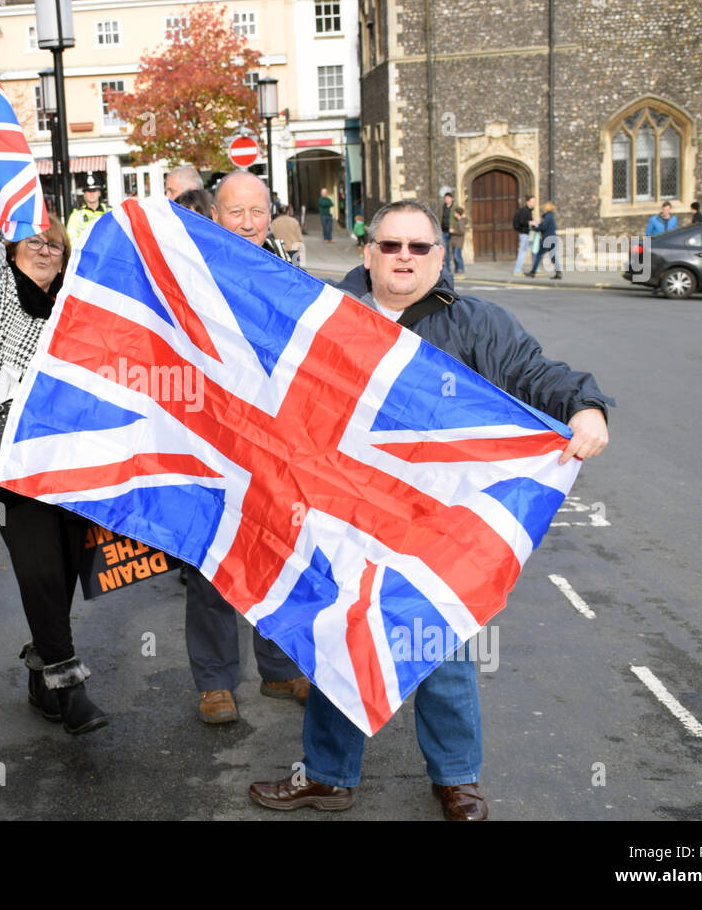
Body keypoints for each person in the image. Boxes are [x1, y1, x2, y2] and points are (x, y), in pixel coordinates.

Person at [248, 199, 612, 819]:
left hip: (436, 524)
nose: (404, 259)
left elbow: (536, 372)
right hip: (345, 516)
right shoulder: (324, 317)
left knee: (441, 648)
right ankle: (329, 776)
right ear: (368, 253)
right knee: (340, 640)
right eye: (391, 246)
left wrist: (586, 405)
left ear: (439, 257)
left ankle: (456, 781)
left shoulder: (476, 323)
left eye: (419, 248)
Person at [0, 108, 108, 735]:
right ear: (13, 251)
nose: (46, 246)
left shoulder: (78, 308)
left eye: (55, 242)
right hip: (7, 458)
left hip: (68, 459)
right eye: (34, 239)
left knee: (63, 572)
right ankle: (70, 688)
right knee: (39, 567)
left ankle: (41, 672)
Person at [186, 170, 310, 725]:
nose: (249, 223)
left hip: (273, 441)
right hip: (209, 439)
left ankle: (280, 668)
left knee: (276, 552)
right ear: (216, 216)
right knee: (213, 560)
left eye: (257, 211)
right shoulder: (187, 272)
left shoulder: (288, 272)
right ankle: (215, 683)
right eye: (237, 212)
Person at [65, 181, 109, 246]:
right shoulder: (76, 215)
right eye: (88, 191)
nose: (92, 194)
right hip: (86, 254)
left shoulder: (110, 211)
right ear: (84, 194)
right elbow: (71, 240)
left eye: (94, 191)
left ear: (99, 193)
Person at [527, 200, 559, 279]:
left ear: (546, 209)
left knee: (539, 254)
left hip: (547, 239)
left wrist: (535, 228)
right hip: (553, 238)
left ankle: (533, 272)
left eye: (544, 208)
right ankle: (559, 273)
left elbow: (543, 227)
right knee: (553, 256)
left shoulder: (547, 216)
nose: (543, 209)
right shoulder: (550, 216)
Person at [512, 194, 537, 275]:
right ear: (527, 202)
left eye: (534, 201)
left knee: (534, 250)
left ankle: (535, 268)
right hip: (525, 234)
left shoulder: (529, 211)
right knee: (523, 251)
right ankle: (517, 270)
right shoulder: (524, 211)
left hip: (531, 233)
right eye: (532, 201)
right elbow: (522, 222)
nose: (534, 203)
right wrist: (531, 222)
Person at [439, 191, 455, 275]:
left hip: (453, 232)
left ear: (451, 199)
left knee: (455, 251)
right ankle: (448, 268)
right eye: (445, 198)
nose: (447, 200)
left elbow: (461, 219)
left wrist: (454, 228)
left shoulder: (455, 208)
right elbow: (439, 218)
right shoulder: (442, 207)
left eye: (448, 198)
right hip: (444, 231)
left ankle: (458, 268)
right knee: (446, 250)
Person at [450, 206, 467, 273]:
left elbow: (462, 232)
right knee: (456, 256)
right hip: (455, 241)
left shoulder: (461, 222)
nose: (454, 214)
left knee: (457, 256)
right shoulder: (458, 221)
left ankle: (460, 268)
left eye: (455, 213)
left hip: (458, 242)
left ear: (458, 213)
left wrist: (453, 231)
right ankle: (457, 269)